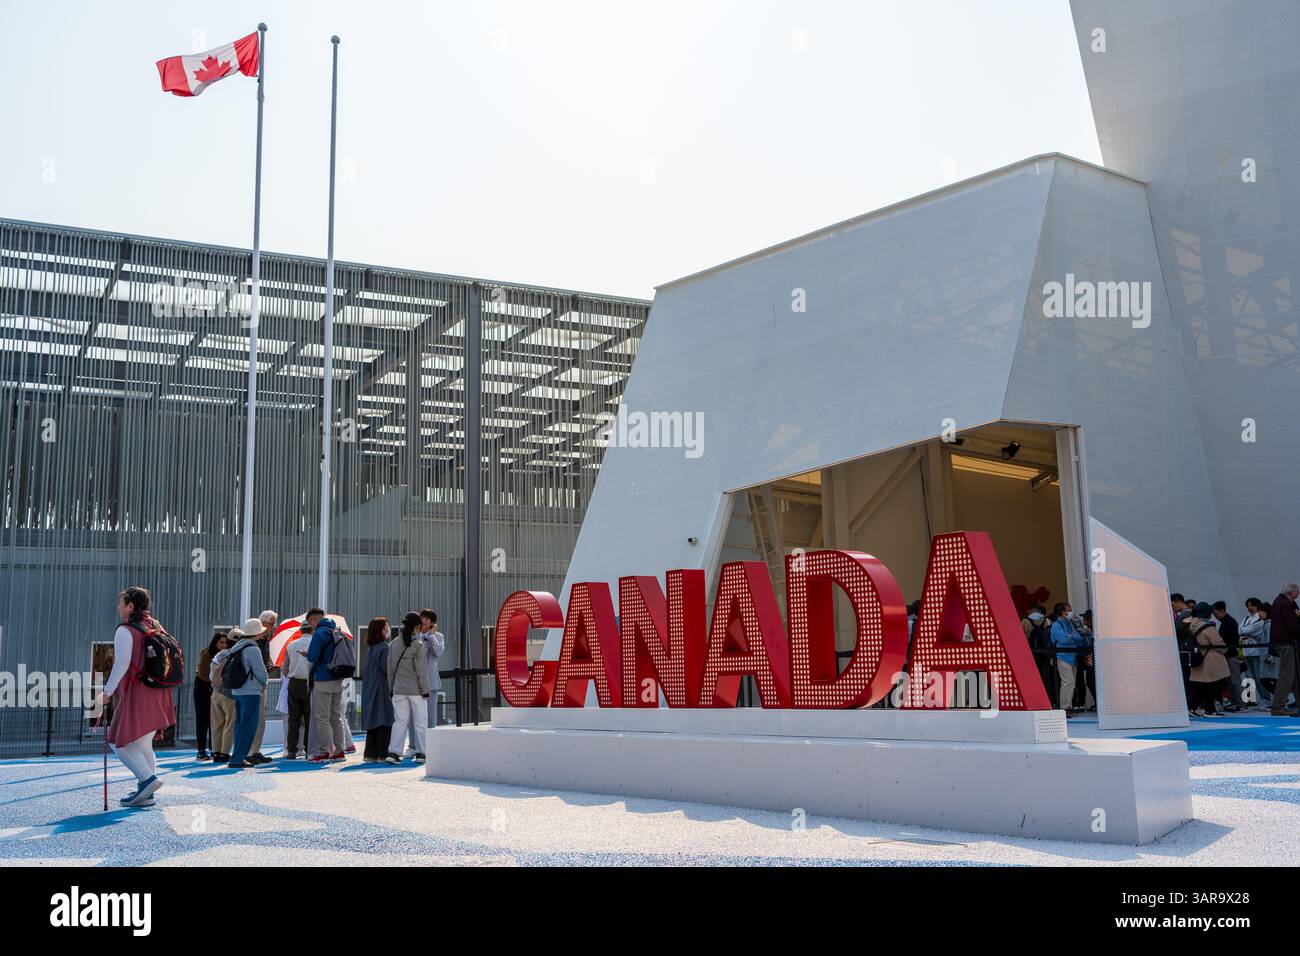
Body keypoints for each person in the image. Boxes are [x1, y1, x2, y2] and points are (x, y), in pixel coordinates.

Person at [101, 586, 178, 808]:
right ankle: (147, 793)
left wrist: (107, 691)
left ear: (130, 606)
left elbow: (122, 663)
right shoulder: (155, 625)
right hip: (159, 691)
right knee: (144, 745)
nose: (119, 608)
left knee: (117, 740)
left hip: (137, 693)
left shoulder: (125, 630)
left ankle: (147, 780)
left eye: (121, 603)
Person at [226, 617, 270, 768]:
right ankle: (238, 758)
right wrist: (265, 682)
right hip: (251, 691)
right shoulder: (253, 649)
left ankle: (237, 755)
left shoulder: (237, 647)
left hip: (237, 690)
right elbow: (261, 673)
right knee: (249, 725)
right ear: (257, 634)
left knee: (240, 724)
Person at [386, 612, 430, 764]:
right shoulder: (418, 645)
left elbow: (390, 670)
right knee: (420, 722)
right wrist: (425, 690)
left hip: (398, 689)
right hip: (416, 690)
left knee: (399, 721)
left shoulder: (393, 644)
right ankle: (421, 753)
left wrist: (391, 689)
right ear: (416, 627)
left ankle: (394, 752)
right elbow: (421, 671)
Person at [307, 610, 348, 762]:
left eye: (310, 622)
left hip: (323, 678)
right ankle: (340, 750)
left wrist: (309, 654)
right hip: (338, 678)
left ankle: (324, 751)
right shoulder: (337, 631)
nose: (310, 625)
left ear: (314, 619)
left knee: (322, 717)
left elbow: (312, 656)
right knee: (336, 717)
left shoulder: (320, 633)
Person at [281, 616, 317, 758]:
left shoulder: (291, 645)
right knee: (309, 718)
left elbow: (284, 668)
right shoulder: (315, 644)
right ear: (312, 630)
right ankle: (310, 749)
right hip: (310, 683)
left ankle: (291, 750)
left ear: (301, 630)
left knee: (293, 718)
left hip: (294, 682)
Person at [246, 609, 278, 766]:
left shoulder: (264, 640)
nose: (272, 628)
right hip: (253, 684)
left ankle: (255, 750)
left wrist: (269, 665)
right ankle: (250, 751)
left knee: (261, 719)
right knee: (253, 718)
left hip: (260, 683)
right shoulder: (252, 641)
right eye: (271, 624)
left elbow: (264, 659)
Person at [1186, 602, 1228, 718]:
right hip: (1211, 660)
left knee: (1198, 686)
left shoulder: (1191, 625)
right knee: (1213, 686)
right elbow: (1219, 644)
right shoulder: (1208, 627)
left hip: (1198, 658)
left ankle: (1192, 708)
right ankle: (1210, 710)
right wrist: (1225, 650)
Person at [361, 617, 395, 762]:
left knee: (373, 720)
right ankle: (382, 753)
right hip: (382, 688)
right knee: (385, 719)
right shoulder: (385, 647)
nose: (388, 629)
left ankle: (370, 753)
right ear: (380, 631)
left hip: (370, 687)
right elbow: (387, 669)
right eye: (386, 627)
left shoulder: (371, 648)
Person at [193, 628, 226, 760]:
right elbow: (202, 673)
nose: (223, 645)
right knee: (203, 719)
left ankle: (214, 748)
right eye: (221, 642)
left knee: (216, 719)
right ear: (215, 643)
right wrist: (215, 681)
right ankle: (201, 750)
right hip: (203, 688)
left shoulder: (225, 654)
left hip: (215, 688)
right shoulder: (207, 654)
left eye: (225, 643)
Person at [1268, 583, 1300, 716]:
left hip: (1281, 642)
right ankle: (1277, 706)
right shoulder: (1286, 605)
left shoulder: (1277, 602)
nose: (1298, 594)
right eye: (1296, 592)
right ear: (1290, 593)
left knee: (1293, 675)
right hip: (1287, 642)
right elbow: (1293, 626)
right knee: (1287, 675)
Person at [1049, 602, 1086, 716]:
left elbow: (1078, 637)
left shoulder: (1069, 624)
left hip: (1071, 656)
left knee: (1071, 682)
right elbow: (1063, 639)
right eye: (1069, 610)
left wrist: (1071, 636)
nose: (1071, 612)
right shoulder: (1056, 625)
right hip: (1062, 656)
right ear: (1062, 612)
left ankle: (1067, 707)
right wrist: (1072, 636)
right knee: (1068, 682)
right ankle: (1065, 708)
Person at [208, 628, 238, 763]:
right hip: (229, 693)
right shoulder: (235, 655)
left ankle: (216, 752)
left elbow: (211, 674)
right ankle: (225, 753)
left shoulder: (219, 655)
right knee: (229, 724)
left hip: (215, 692)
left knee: (216, 724)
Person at [1212, 601, 1243, 712]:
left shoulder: (1229, 622)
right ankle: (1235, 702)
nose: (1215, 616)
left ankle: (1240, 703)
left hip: (1230, 655)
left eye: (1216, 614)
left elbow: (1231, 640)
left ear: (1222, 611)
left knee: (1235, 680)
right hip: (1227, 655)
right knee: (1230, 681)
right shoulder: (1226, 622)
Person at [1239, 600, 1271, 708]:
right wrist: (1246, 631)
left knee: (1259, 677)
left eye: (1252, 605)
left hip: (1257, 651)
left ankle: (1267, 699)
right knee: (1252, 677)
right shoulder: (1246, 619)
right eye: (1247, 605)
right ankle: (1262, 699)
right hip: (1246, 652)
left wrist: (1245, 631)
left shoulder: (1261, 619)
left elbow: (1254, 630)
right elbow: (1240, 630)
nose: (1250, 607)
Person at [418, 608, 445, 732]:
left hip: (432, 681)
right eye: (422, 618)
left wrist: (432, 636)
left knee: (430, 715)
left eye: (427, 619)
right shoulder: (416, 636)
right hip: (416, 680)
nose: (423, 621)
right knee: (416, 715)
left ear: (432, 623)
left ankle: (429, 743)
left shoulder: (438, 636)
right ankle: (413, 744)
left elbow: (438, 652)